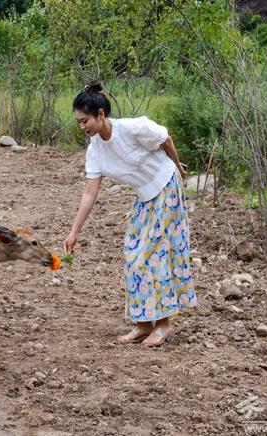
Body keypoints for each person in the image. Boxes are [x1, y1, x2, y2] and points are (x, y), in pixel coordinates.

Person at [63, 81, 197, 347]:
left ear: (100, 114)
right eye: (78, 122)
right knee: (133, 255)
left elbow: (165, 139)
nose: (82, 127)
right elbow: (90, 192)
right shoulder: (95, 150)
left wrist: (179, 171)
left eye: (85, 120)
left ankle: (164, 324)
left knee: (154, 253)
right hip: (144, 196)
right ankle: (144, 324)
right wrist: (74, 231)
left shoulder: (132, 128)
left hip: (165, 185)